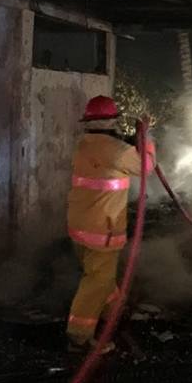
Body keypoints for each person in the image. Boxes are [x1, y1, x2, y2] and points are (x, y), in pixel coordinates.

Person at [66, 95, 155, 353]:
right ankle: (79, 337)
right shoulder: (118, 151)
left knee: (98, 274)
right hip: (102, 230)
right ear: (113, 120)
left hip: (79, 225)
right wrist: (147, 141)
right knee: (98, 281)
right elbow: (147, 167)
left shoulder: (84, 144)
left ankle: (114, 312)